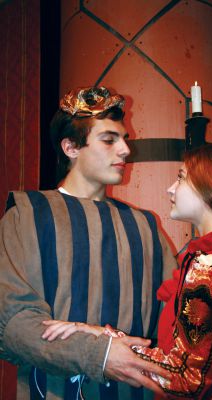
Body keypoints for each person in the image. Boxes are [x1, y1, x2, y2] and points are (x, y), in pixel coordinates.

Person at [44, 144, 212, 399]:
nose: (170, 188)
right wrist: (100, 334)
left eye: (181, 177)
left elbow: (183, 377)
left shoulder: (210, 267)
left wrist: (103, 349)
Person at [0, 86, 177, 400]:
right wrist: (100, 354)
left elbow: (174, 323)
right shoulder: (26, 215)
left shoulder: (146, 226)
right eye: (109, 140)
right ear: (70, 147)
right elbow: (13, 321)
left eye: (123, 139)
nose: (125, 150)